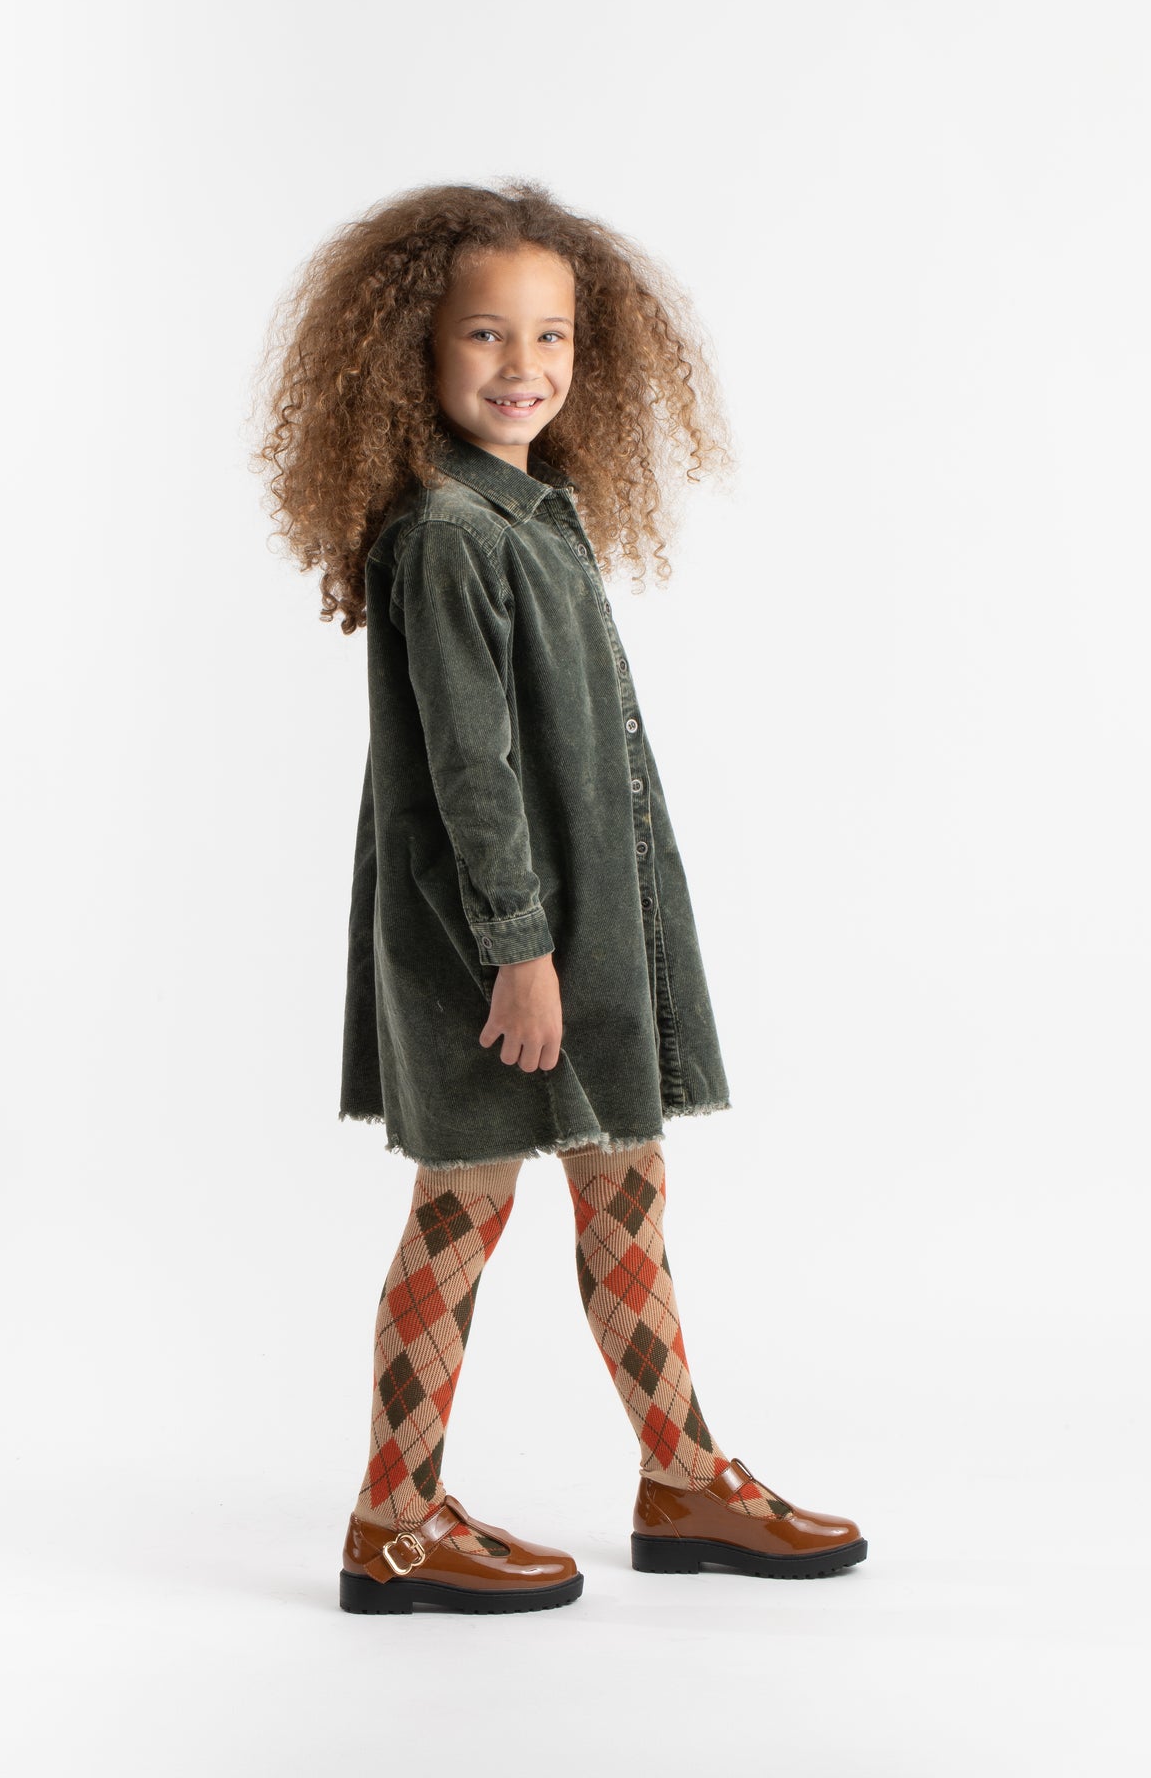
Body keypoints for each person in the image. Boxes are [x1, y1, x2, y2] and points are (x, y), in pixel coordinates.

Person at [252, 179, 867, 1615]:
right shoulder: (450, 534)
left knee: (625, 1191)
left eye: (554, 336)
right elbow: (471, 775)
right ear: (413, 348)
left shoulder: (536, 515)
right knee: (463, 1209)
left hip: (587, 934)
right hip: (501, 949)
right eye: (485, 334)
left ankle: (683, 1479)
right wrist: (518, 954)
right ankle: (394, 1519)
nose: (524, 366)